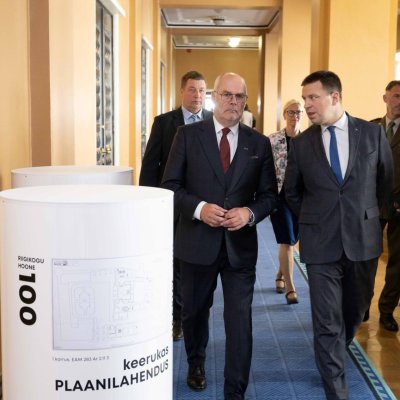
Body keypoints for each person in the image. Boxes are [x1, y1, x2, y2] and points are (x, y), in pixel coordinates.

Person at [162, 72, 278, 399]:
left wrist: (249, 213)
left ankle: (234, 390)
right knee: (195, 312)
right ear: (214, 97)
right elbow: (170, 186)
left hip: (240, 248)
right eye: (227, 95)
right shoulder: (187, 136)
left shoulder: (259, 143)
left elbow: (269, 196)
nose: (233, 102)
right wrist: (199, 209)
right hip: (197, 243)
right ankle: (196, 362)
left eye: (239, 96)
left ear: (245, 101)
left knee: (240, 322)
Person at [284, 70, 393, 400]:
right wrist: (314, 220)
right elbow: (292, 192)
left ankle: (334, 350)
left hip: (363, 240)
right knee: (327, 319)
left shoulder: (372, 134)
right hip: (320, 243)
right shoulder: (302, 143)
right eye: (305, 98)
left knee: (354, 311)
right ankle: (336, 387)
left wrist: (370, 218)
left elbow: (385, 183)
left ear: (335, 97)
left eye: (313, 97)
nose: (307, 105)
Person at [139, 70, 213, 341]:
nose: (197, 95)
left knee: (199, 262)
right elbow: (150, 167)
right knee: (174, 263)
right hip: (170, 204)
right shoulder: (164, 123)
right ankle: (176, 317)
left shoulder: (213, 121)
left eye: (202, 90)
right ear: (182, 92)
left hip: (203, 206)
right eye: (192, 90)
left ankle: (195, 311)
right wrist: (149, 205)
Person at [269, 99, 304, 304]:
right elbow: (266, 169)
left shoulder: (309, 139)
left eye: (298, 112)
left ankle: (280, 274)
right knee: (287, 240)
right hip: (280, 197)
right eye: (291, 112)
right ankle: (291, 288)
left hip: (300, 198)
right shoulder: (273, 140)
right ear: (284, 114)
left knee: (293, 239)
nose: (294, 116)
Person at [373, 80, 400, 331]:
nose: (399, 101)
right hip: (372, 204)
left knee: (397, 263)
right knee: (366, 258)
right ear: (386, 98)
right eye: (396, 96)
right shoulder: (371, 128)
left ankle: (387, 310)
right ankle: (361, 305)